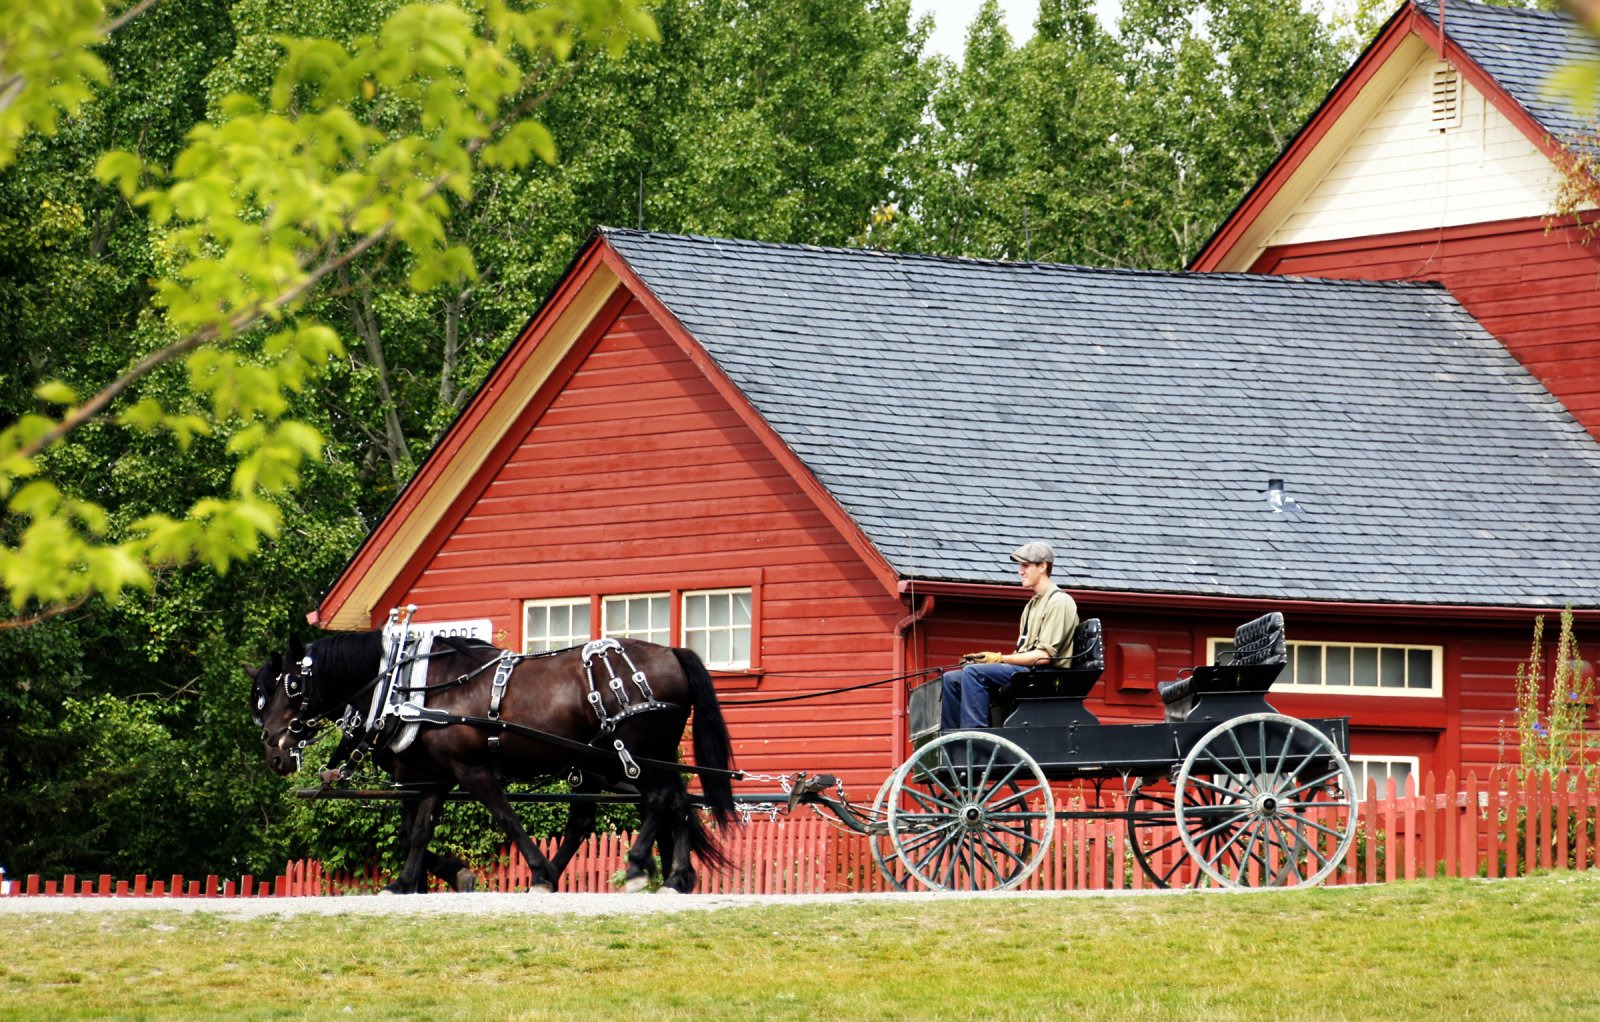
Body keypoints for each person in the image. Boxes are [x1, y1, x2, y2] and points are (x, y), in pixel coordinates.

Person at [939, 541, 1078, 731]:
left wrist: (998, 658)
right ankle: (951, 742)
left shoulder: (1059, 602)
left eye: (1026, 565)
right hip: (1030, 671)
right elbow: (1022, 651)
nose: (1020, 571)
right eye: (1020, 566)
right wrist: (987, 662)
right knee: (953, 679)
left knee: (974, 674)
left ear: (1043, 566)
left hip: (1047, 675)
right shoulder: (1032, 605)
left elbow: (1044, 656)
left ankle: (975, 738)